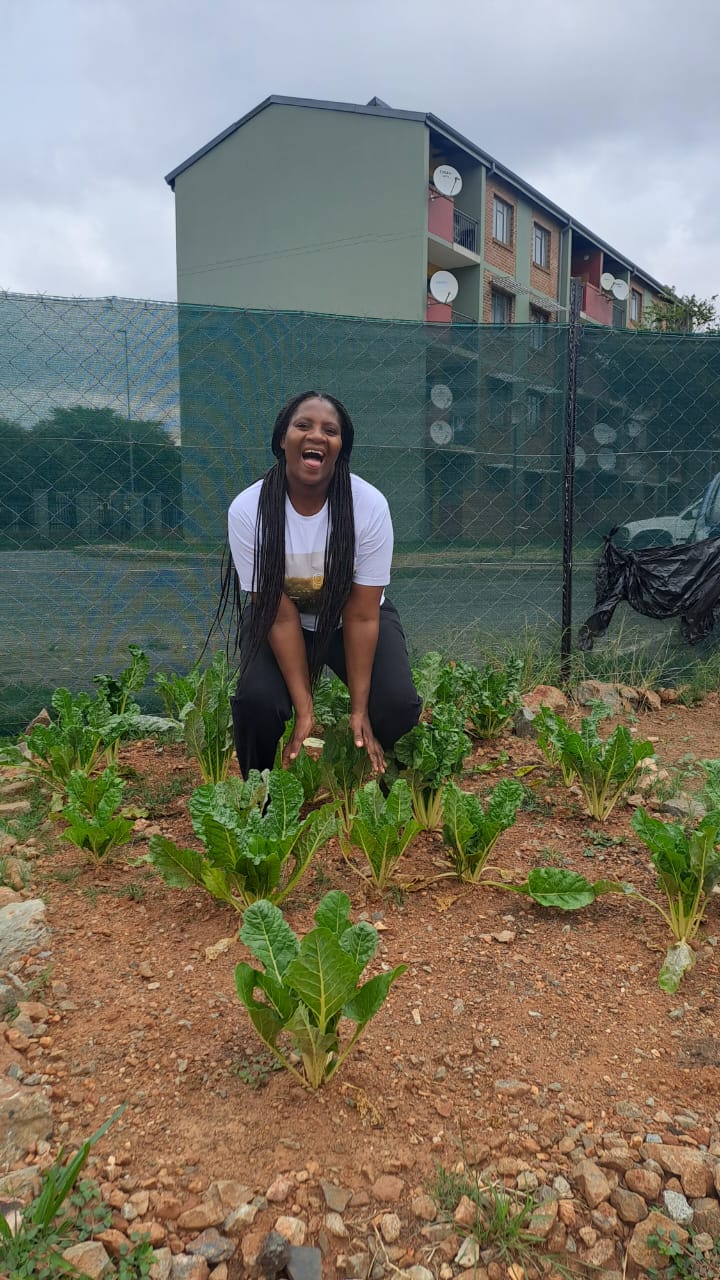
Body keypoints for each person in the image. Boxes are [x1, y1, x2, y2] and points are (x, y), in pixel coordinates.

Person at [226, 390, 421, 777]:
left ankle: (393, 791)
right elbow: (278, 618)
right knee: (256, 701)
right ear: (283, 439)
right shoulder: (249, 510)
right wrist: (304, 709)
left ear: (340, 448)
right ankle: (259, 795)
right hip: (283, 620)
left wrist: (361, 708)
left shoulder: (368, 506)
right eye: (303, 425)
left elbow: (364, 614)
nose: (317, 435)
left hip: (353, 621)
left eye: (330, 430)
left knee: (397, 705)